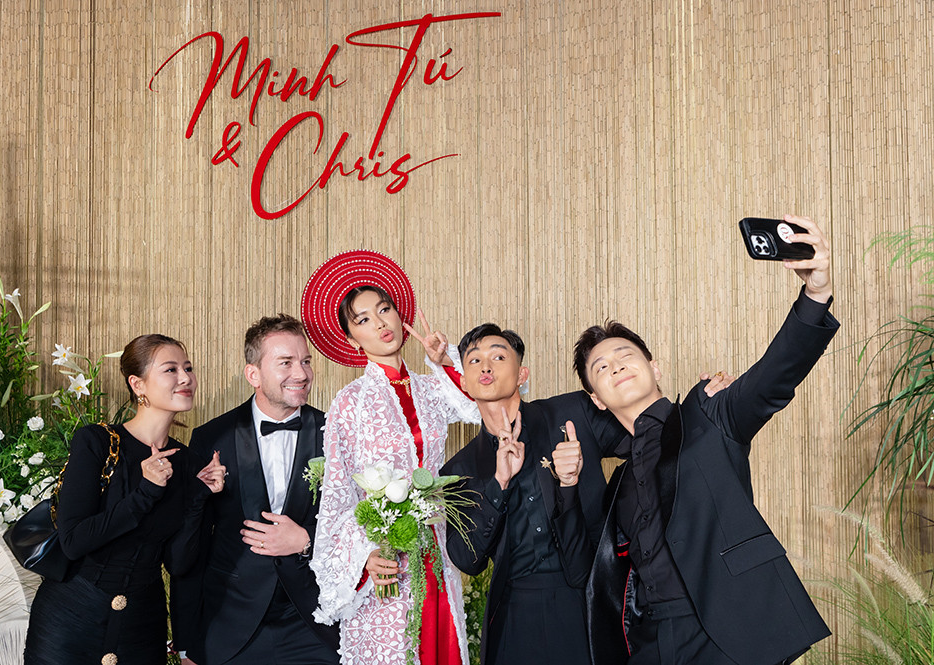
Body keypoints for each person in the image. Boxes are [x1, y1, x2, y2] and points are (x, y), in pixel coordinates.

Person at [575, 215, 836, 665]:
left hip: (727, 631)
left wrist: (815, 293)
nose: (614, 365)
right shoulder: (617, 483)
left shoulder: (708, 413)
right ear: (596, 398)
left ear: (654, 368)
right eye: (600, 367)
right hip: (650, 640)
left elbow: (774, 376)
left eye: (625, 354)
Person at [439, 325, 730, 665]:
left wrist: (700, 410)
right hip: (513, 616)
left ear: (522, 374)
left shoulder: (573, 412)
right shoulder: (457, 469)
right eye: (474, 360)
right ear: (463, 381)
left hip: (588, 597)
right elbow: (466, 560)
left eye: (499, 356)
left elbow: (650, 437)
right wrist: (499, 482)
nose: (486, 366)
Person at [303, 250, 480, 665]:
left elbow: (481, 407)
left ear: (401, 316)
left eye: (385, 310)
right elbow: (338, 498)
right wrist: (364, 555)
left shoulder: (432, 389)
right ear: (352, 340)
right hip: (384, 559)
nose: (381, 323)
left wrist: (443, 360)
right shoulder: (349, 402)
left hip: (436, 548)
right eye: (364, 319)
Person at [24, 334, 226, 665]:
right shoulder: (96, 442)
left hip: (142, 626)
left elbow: (178, 564)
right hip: (70, 619)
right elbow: (74, 542)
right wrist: (146, 491)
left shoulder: (189, 463)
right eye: (171, 369)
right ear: (137, 384)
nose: (186, 378)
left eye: (188, 368)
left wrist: (200, 496)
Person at [170, 315, 340, 665]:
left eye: (306, 361)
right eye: (286, 363)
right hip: (229, 627)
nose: (302, 373)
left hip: (315, 624)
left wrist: (306, 540)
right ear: (254, 374)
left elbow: (358, 525)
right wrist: (187, 643)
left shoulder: (337, 433)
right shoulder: (210, 437)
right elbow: (192, 548)